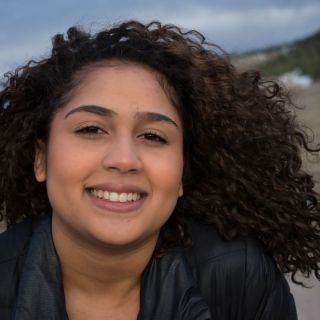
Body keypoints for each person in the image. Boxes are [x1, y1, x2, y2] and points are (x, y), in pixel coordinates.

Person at [0, 20, 319, 320]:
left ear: (182, 170)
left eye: (153, 136)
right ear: (40, 158)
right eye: (91, 129)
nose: (124, 159)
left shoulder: (239, 275)